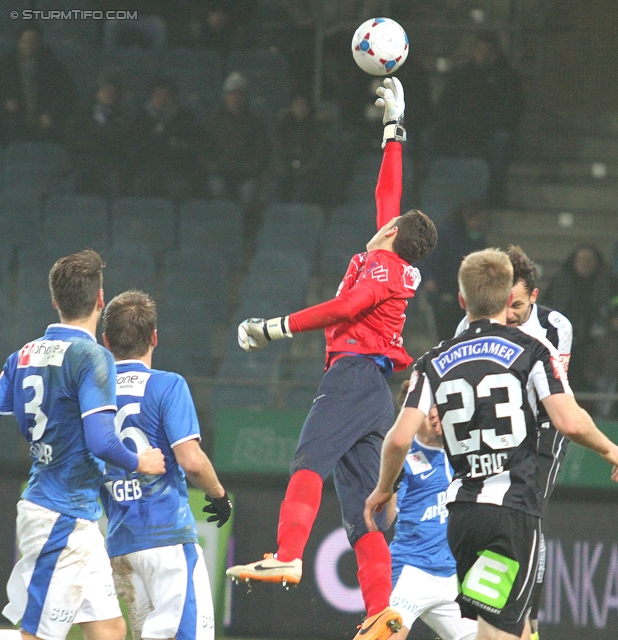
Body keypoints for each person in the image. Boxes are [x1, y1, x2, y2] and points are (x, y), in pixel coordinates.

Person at [225, 77, 438, 640]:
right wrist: (395, 132)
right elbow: (386, 195)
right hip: (373, 392)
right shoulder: (390, 257)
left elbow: (350, 305)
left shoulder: (384, 269)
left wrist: (275, 327)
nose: (382, 218)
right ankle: (380, 613)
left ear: (392, 235)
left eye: (387, 222)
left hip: (351, 377)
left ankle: (289, 553)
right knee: (362, 511)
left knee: (308, 460)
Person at [364, 248, 618, 640]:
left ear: (461, 301)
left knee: (487, 631)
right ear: (508, 299)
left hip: (463, 517)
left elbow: (399, 437)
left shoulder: (433, 359)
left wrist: (383, 489)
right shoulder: (534, 350)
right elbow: (569, 421)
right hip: (511, 515)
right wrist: (609, 448)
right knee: (501, 633)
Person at [0, 249, 165, 640]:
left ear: (55, 300)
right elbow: (103, 441)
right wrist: (141, 462)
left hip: (76, 515)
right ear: (100, 299)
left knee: (109, 629)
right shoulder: (93, 357)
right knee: (38, 634)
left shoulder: (22, 355)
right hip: (59, 516)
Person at [454, 246, 573, 640]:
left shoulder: (556, 327)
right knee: (497, 517)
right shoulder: (468, 327)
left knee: (529, 513)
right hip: (497, 436)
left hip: (543, 430)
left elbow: (554, 397)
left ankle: (527, 621)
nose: (511, 313)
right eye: (506, 303)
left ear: (533, 298)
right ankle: (503, 620)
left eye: (518, 305)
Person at [100, 290, 232, 640]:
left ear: (106, 341)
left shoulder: (92, 392)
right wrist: (219, 494)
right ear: (154, 337)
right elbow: (191, 460)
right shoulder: (168, 385)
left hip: (120, 544)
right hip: (165, 539)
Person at [387, 382, 477, 640]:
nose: (435, 413)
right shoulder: (403, 457)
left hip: (453, 578)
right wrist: (391, 482)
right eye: (427, 408)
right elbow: (385, 520)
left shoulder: (464, 451)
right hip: (410, 573)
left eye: (438, 405)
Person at [431, 30, 524, 207]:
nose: (483, 55)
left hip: (489, 135)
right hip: (460, 134)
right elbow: (445, 108)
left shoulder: (508, 78)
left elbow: (511, 113)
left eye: (488, 50)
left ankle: (493, 199)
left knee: (501, 142)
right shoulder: (461, 75)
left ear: (496, 52)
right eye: (480, 50)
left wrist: (484, 128)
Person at [541, 243, 618, 392]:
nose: (584, 263)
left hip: (600, 339)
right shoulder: (560, 282)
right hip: (564, 339)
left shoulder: (609, 282)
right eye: (581, 259)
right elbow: (546, 308)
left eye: (589, 260)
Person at [420, 200, 488, 341]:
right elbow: (428, 257)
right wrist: (428, 279)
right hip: (443, 289)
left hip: (464, 292)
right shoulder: (446, 234)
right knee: (444, 332)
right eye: (477, 219)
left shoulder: (476, 237)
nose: (479, 224)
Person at [130, 78, 208, 200]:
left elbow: (189, 147)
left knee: (179, 189)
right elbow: (139, 147)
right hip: (147, 170)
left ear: (174, 98)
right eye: (158, 95)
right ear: (151, 97)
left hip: (177, 170)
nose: (162, 99)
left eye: (167, 95)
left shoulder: (186, 119)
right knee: (140, 188)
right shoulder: (141, 119)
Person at [205, 72, 271, 210]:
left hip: (247, 174)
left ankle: (245, 228)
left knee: (249, 193)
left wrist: (248, 168)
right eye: (232, 94)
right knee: (216, 188)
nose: (236, 98)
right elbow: (205, 149)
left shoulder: (255, 121)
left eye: (240, 94)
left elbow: (262, 152)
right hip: (221, 172)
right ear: (225, 96)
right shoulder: (214, 121)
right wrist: (215, 166)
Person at [0, 25, 76, 143]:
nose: (29, 44)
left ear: (39, 43)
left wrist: (52, 114)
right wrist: (5, 103)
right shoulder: (6, 66)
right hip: (13, 119)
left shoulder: (52, 66)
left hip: (44, 119)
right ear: (18, 42)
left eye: (33, 41)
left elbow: (66, 93)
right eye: (25, 40)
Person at [68, 77, 131, 197]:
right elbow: (73, 137)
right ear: (97, 92)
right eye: (105, 90)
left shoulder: (123, 117)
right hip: (84, 161)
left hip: (111, 164)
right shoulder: (81, 114)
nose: (108, 94)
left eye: (112, 92)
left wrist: (99, 135)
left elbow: (122, 141)